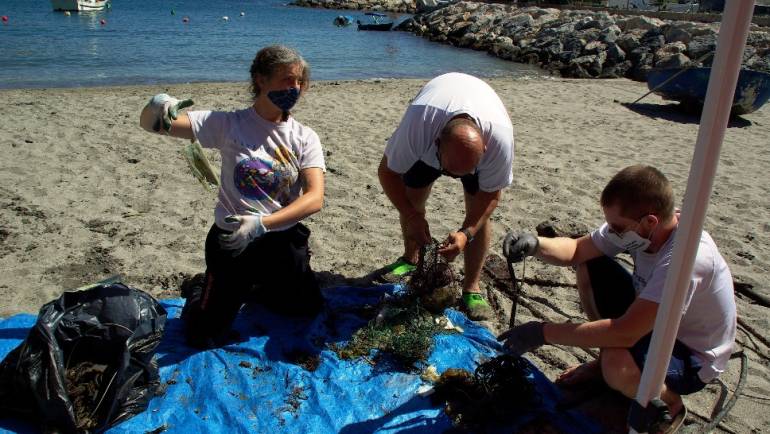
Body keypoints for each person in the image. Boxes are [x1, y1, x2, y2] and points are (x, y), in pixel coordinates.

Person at [499, 165, 736, 424]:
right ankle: (609, 368)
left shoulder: (686, 258)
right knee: (590, 264)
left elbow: (625, 332)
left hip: (691, 357)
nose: (611, 232)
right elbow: (577, 250)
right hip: (650, 318)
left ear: (650, 221)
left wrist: (541, 332)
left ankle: (670, 404)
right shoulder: (638, 231)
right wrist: (535, 244)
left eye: (617, 226)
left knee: (616, 362)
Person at [139, 45, 326, 349]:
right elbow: (153, 125)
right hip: (233, 240)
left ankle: (258, 285)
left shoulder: (305, 136)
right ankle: (202, 287)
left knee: (305, 310)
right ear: (260, 80)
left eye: (299, 82)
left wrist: (263, 223)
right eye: (286, 80)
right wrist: (159, 105)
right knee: (205, 335)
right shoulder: (228, 125)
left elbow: (315, 197)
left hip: (281, 240)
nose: (294, 89)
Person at [377, 72, 515, 321]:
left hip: (471, 140)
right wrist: (411, 216)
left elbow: (491, 194)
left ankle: (471, 287)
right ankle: (410, 258)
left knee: (478, 216)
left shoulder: (500, 141)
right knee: (412, 200)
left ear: (484, 149)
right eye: (449, 168)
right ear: (437, 142)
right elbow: (387, 172)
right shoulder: (420, 126)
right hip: (431, 137)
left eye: (463, 171)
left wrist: (466, 233)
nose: (452, 177)